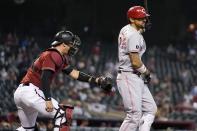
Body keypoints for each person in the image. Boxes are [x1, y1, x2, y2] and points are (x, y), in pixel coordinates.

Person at [14, 30, 112, 131]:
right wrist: (48, 99)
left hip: (22, 93)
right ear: (64, 45)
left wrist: (96, 80)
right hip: (32, 91)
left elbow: (74, 73)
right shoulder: (54, 54)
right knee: (62, 115)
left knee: (27, 129)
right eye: (71, 44)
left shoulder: (57, 56)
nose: (73, 47)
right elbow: (45, 77)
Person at [116, 6, 157, 131]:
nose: (144, 20)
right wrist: (146, 72)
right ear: (131, 19)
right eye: (140, 18)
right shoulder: (134, 35)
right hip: (129, 75)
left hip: (134, 76)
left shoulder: (126, 29)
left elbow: (132, 34)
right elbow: (135, 62)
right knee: (134, 115)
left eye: (144, 18)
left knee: (150, 109)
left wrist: (140, 29)